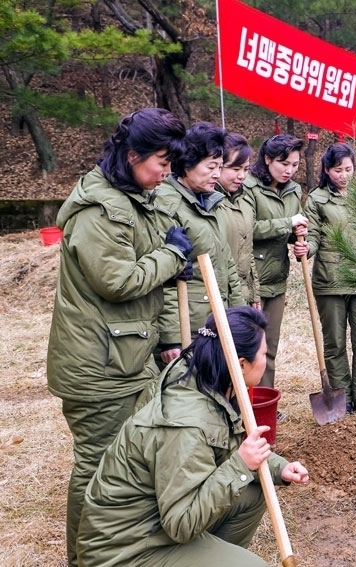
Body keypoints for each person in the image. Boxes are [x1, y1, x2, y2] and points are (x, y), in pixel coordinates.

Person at [46, 108, 189, 567]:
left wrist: (166, 335)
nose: (166, 174)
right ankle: (83, 559)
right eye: (161, 163)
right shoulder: (99, 210)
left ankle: (122, 549)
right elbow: (120, 281)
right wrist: (171, 255)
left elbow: (150, 283)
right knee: (97, 468)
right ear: (132, 155)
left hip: (128, 356)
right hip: (98, 365)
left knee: (130, 462)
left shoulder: (134, 198)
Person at [76, 306, 309, 566]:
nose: (266, 360)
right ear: (241, 364)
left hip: (155, 520)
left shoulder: (200, 374)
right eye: (263, 353)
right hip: (124, 548)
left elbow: (223, 444)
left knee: (254, 491)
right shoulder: (186, 425)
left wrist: (280, 467)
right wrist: (240, 465)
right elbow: (180, 524)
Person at [304, 143, 356, 415]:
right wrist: (306, 248)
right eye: (338, 170)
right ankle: (342, 396)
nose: (344, 175)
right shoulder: (317, 199)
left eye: (349, 169)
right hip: (330, 280)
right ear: (327, 170)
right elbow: (312, 236)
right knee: (334, 342)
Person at [156, 122, 243, 363]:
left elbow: (226, 263)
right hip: (190, 324)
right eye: (211, 166)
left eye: (220, 166)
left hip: (217, 317)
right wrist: (171, 336)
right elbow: (164, 276)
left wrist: (239, 313)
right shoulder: (167, 204)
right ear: (187, 164)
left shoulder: (210, 202)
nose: (217, 174)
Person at [246, 134, 309, 391]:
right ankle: (246, 401)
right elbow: (248, 229)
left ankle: (265, 398)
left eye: (295, 164)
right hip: (253, 278)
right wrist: (287, 224)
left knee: (269, 346)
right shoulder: (249, 187)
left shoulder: (294, 190)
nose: (290, 170)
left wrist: (301, 240)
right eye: (284, 163)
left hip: (277, 277)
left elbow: (296, 226)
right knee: (250, 345)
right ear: (267, 158)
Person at [216, 132, 261, 309]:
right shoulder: (210, 202)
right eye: (235, 169)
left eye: (246, 169)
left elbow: (247, 251)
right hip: (221, 295)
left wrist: (253, 292)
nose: (242, 176)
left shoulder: (245, 200)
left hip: (242, 295)